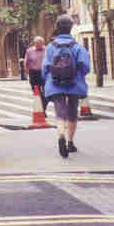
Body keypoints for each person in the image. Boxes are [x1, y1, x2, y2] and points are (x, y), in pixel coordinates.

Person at [41, 15, 90, 159]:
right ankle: (70, 142)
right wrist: (78, 76)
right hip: (74, 83)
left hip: (55, 84)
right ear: (71, 28)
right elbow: (85, 66)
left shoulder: (50, 47)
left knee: (60, 113)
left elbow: (45, 68)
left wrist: (49, 78)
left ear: (57, 27)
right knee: (72, 112)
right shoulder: (77, 46)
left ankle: (61, 134)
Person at [23, 36, 47, 110]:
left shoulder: (47, 50)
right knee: (37, 92)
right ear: (34, 43)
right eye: (37, 43)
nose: (38, 44)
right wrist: (27, 73)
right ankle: (41, 109)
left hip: (45, 72)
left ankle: (43, 107)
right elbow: (26, 63)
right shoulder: (29, 51)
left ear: (43, 43)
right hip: (34, 73)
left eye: (40, 43)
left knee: (46, 93)